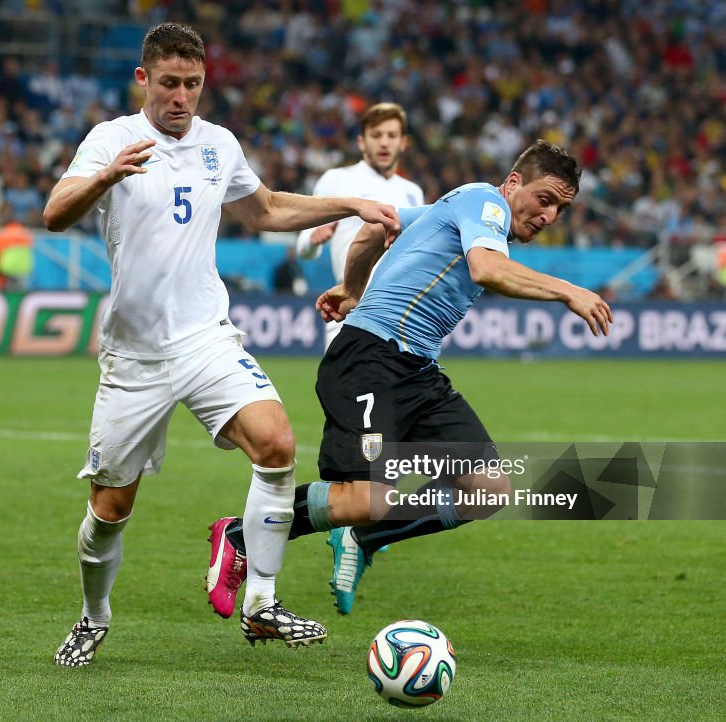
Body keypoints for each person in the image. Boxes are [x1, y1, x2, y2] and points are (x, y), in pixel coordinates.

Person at [43, 22, 400, 667]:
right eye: (170, 83)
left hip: (206, 338)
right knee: (111, 506)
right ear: (143, 79)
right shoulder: (111, 139)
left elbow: (264, 210)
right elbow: (54, 213)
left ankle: (262, 602)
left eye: (194, 84)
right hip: (135, 357)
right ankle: (93, 617)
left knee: (277, 443)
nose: (182, 96)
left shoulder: (218, 144)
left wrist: (349, 206)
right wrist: (104, 178)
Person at [206, 140, 613, 616]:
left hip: (417, 370)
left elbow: (374, 229)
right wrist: (568, 291)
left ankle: (366, 537)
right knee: (365, 497)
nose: (549, 216)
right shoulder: (486, 203)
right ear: (514, 182)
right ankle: (239, 533)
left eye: (560, 209)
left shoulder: (454, 204)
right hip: (369, 361)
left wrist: (352, 289)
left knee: (487, 489)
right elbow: (486, 270)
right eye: (545, 199)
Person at [296, 102, 424, 351]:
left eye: (391, 135)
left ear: (403, 142)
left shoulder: (412, 192)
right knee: (348, 390)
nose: (384, 143)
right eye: (376, 136)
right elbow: (303, 248)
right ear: (362, 142)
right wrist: (313, 240)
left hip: (400, 314)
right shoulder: (336, 180)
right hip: (349, 309)